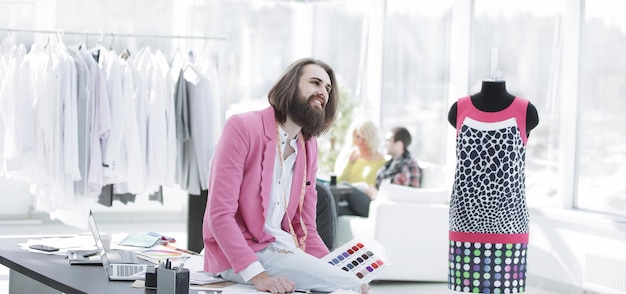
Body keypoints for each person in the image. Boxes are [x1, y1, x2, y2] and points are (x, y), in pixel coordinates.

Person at [202, 58, 369, 294]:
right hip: (241, 254)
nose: (323, 92)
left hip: (282, 248)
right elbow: (219, 216)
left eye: (328, 88)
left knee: (353, 280)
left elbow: (307, 228)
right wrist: (258, 276)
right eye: (315, 82)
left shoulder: (308, 146)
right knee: (351, 287)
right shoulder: (242, 127)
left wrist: (332, 267)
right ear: (291, 86)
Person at [446, 80, 539, 293]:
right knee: (465, 287)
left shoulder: (525, 111)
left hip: (509, 219)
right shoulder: (460, 109)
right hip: (464, 217)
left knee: (505, 287)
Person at [337, 127, 421, 217]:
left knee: (345, 188)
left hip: (385, 208)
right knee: (334, 209)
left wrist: (377, 195)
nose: (385, 144)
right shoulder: (390, 164)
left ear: (399, 144)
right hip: (375, 201)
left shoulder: (409, 166)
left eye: (388, 141)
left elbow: (406, 197)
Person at [333, 119, 386, 187]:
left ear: (371, 139)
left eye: (364, 139)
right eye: (358, 137)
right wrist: (349, 163)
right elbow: (337, 182)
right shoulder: (346, 155)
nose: (360, 141)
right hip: (346, 195)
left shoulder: (382, 161)